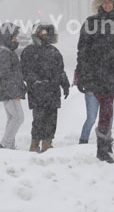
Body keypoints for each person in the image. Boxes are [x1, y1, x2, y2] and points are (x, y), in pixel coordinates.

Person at [76, 0, 114, 163]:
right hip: (94, 73)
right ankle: (103, 147)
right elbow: (82, 51)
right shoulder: (90, 22)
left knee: (108, 109)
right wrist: (81, 75)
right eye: (104, 2)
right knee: (106, 108)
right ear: (100, 4)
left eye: (111, 2)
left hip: (112, 74)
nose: (108, 5)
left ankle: (104, 145)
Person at [20, 23, 70, 153]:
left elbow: (60, 70)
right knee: (39, 119)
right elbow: (24, 71)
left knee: (52, 118)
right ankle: (34, 144)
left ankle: (47, 142)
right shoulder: (29, 51)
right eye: (42, 32)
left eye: (48, 32)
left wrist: (65, 85)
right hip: (37, 92)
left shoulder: (54, 52)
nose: (45, 35)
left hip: (52, 91)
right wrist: (35, 82)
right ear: (36, 34)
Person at [0, 22, 26, 150]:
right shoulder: (3, 53)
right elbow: (4, 74)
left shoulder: (4, 51)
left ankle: (9, 145)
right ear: (7, 37)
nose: (16, 39)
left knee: (12, 117)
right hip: (9, 92)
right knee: (18, 118)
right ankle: (5, 144)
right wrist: (14, 92)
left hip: (7, 91)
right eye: (14, 37)